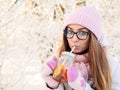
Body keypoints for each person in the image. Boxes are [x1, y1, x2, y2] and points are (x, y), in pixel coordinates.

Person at [41, 6, 120, 90]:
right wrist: (53, 85)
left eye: (82, 33)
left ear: (93, 37)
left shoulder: (110, 66)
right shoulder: (60, 62)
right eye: (70, 31)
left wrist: (83, 88)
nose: (74, 39)